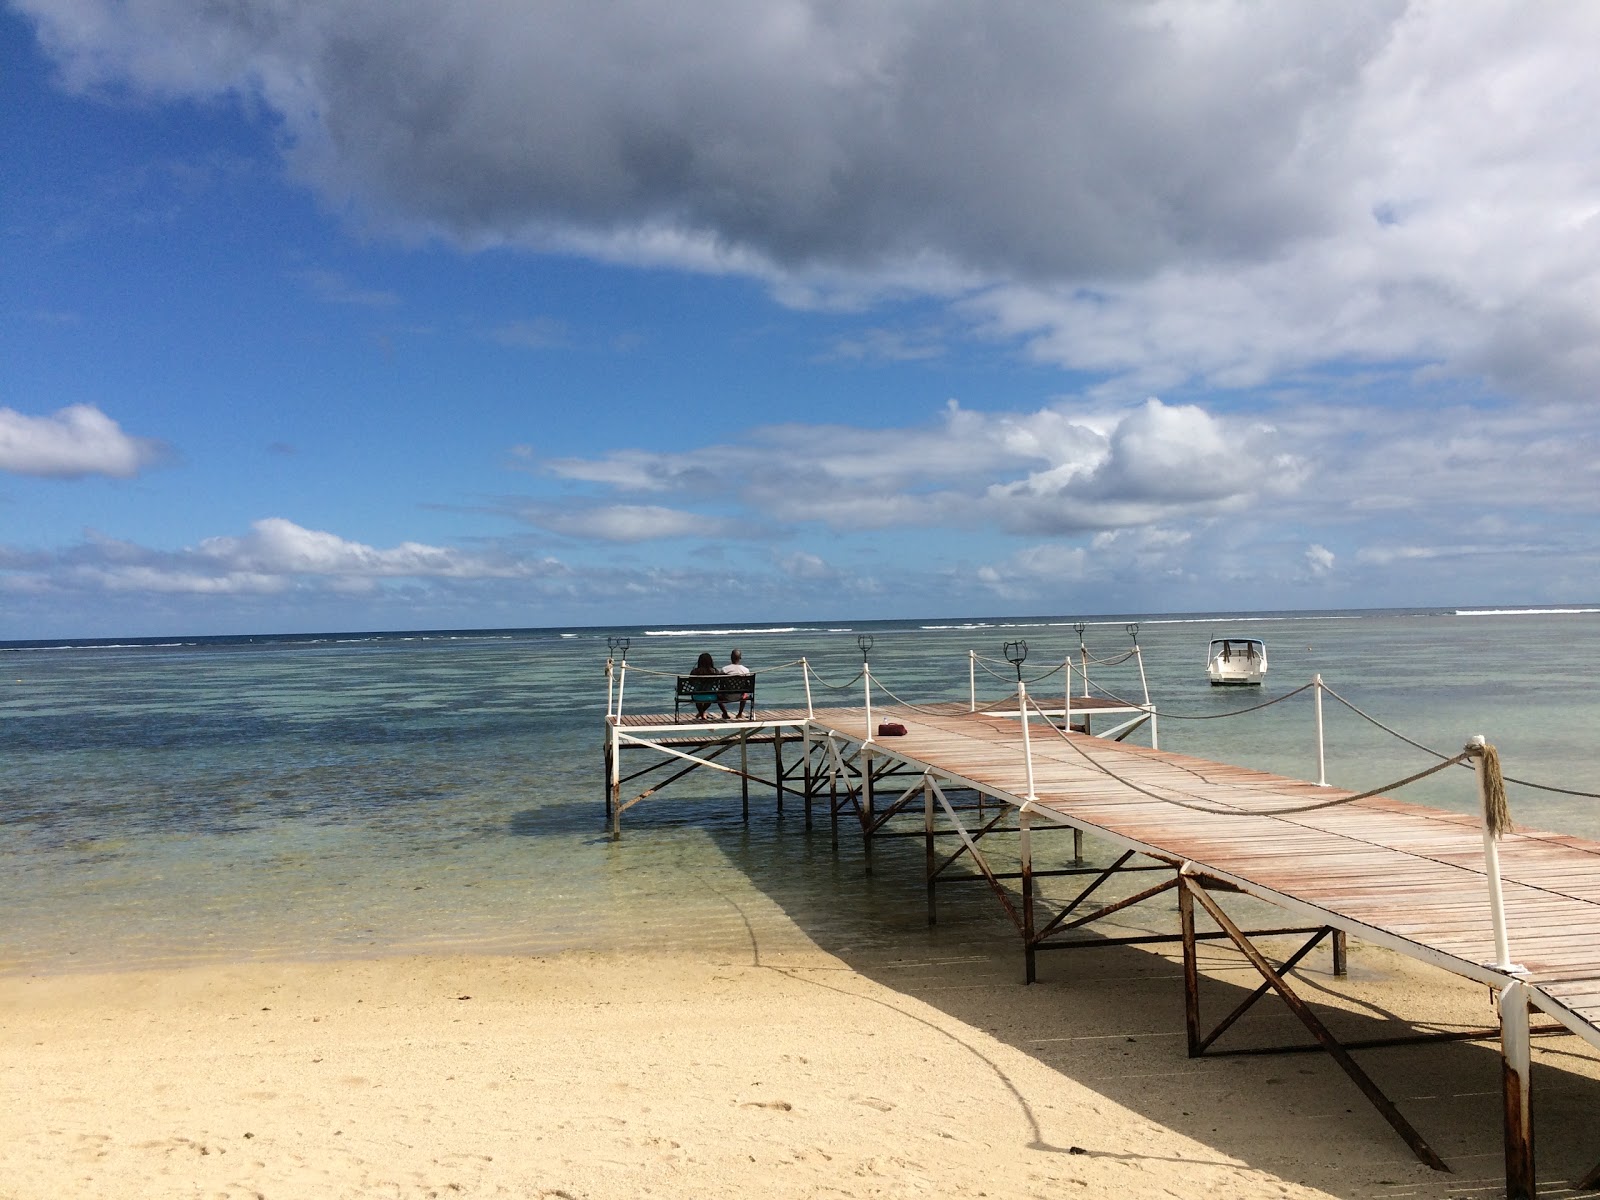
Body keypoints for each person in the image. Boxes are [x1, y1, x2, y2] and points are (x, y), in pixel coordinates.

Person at [689, 651, 728, 720]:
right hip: (710, 696)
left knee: (698, 700)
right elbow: (718, 683)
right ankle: (702, 713)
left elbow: (690, 683)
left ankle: (702, 714)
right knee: (709, 699)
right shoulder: (715, 671)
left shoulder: (694, 671)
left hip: (697, 696)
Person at [722, 648, 753, 718]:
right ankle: (739, 714)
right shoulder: (745, 670)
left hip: (726, 696)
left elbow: (721, 684)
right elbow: (748, 685)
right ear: (740, 658)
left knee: (717, 694)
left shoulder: (724, 669)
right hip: (741, 696)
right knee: (745, 693)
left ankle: (725, 713)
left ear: (731, 658)